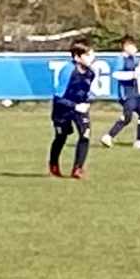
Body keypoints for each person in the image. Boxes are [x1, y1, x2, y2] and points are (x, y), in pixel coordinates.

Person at [50, 43, 97, 179]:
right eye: (88, 55)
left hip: (79, 107)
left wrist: (87, 102)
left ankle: (78, 168)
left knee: (85, 134)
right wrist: (74, 106)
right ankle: (53, 163)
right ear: (77, 57)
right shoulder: (68, 71)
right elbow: (58, 97)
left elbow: (85, 92)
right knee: (61, 137)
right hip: (63, 109)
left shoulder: (91, 73)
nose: (92, 58)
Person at [102, 35, 140, 150]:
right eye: (134, 47)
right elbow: (116, 74)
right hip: (126, 93)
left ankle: (139, 141)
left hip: (135, 93)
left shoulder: (132, 59)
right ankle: (108, 136)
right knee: (127, 117)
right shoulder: (121, 59)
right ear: (126, 47)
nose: (136, 49)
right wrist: (132, 75)